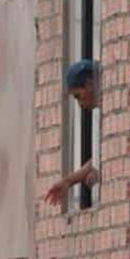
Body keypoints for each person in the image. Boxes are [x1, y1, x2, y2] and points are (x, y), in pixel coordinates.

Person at [46, 59, 99, 206]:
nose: (80, 105)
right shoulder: (102, 114)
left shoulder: (114, 112)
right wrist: (68, 181)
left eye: (78, 96)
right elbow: (101, 157)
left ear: (89, 84)